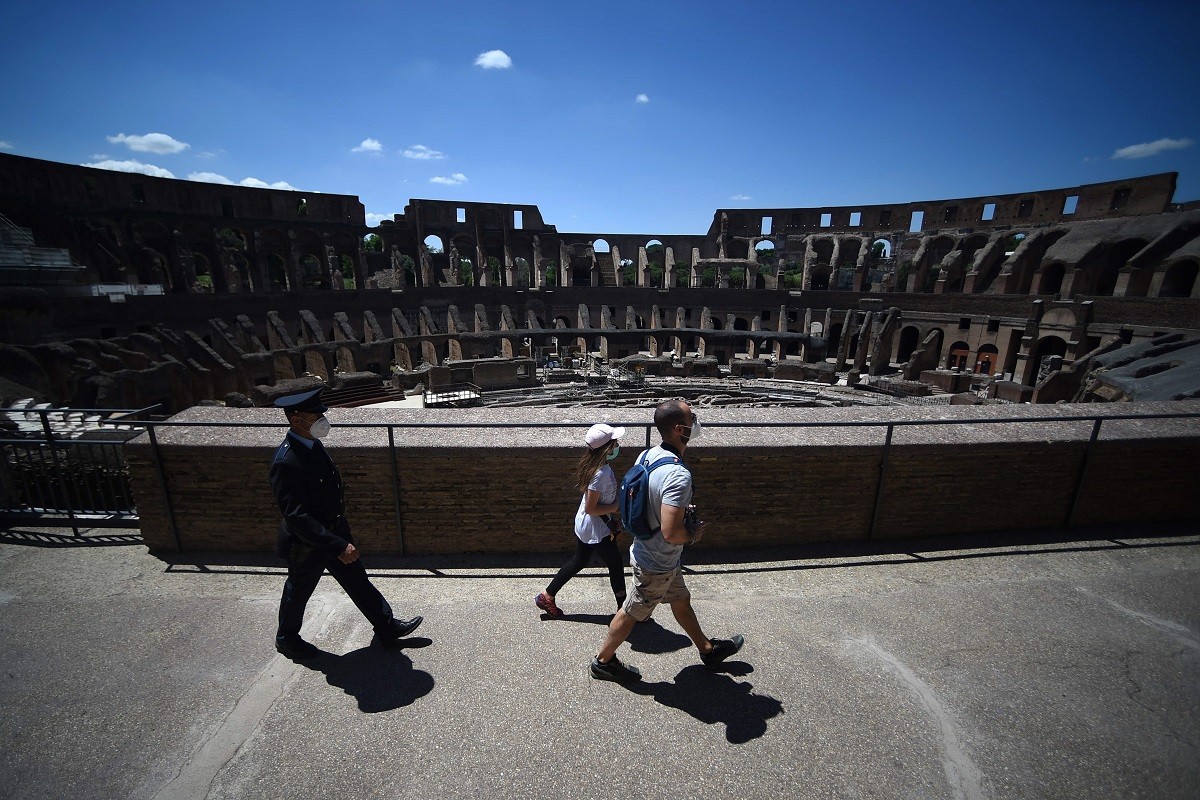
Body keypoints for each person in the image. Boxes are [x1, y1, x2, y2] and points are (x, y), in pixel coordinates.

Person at [589, 399, 743, 682]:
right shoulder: (678, 475)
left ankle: (708, 650)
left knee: (681, 600)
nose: (695, 423)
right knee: (631, 612)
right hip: (656, 562)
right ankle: (602, 661)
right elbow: (672, 532)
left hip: (651, 551)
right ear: (678, 429)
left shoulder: (647, 455)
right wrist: (695, 533)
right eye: (691, 419)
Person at [269, 387, 423, 660]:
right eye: (314, 414)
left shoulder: (312, 444)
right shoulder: (286, 461)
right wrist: (337, 544)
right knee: (298, 591)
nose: (320, 418)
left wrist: (340, 532)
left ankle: (387, 628)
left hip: (334, 531)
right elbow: (295, 515)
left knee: (357, 581)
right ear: (296, 419)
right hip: (310, 542)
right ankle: (287, 639)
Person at [535, 423, 629, 618]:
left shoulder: (594, 464)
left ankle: (547, 596)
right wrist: (615, 508)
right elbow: (591, 508)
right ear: (607, 448)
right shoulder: (600, 474)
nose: (618, 444)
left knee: (579, 560)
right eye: (615, 442)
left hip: (589, 525)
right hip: (596, 529)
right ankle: (624, 613)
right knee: (615, 565)